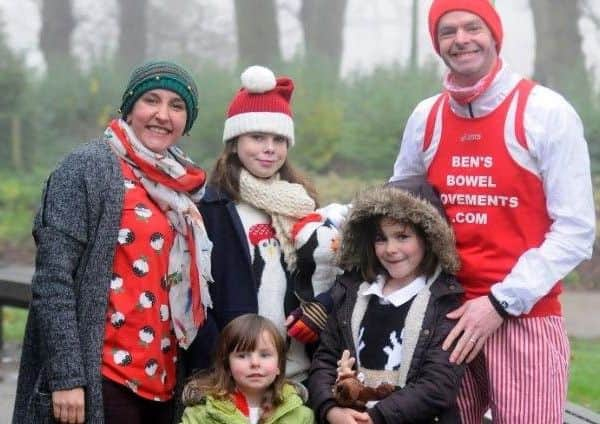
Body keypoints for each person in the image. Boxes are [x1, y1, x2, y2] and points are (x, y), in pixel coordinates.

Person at [390, 1, 596, 422]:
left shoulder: (546, 112)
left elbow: (576, 230)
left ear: (495, 35)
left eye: (473, 27)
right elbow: (397, 210)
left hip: (525, 317)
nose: (461, 39)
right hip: (442, 318)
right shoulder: (425, 117)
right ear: (437, 43)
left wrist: (500, 303)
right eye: (448, 31)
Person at [13, 61, 213, 424]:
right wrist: (68, 378)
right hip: (102, 377)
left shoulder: (183, 187)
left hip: (164, 379)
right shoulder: (87, 168)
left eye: (177, 106)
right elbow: (53, 280)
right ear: (130, 107)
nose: (163, 115)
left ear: (188, 121)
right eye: (151, 100)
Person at [184, 65, 345, 384]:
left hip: (296, 374)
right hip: (232, 373)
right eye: (257, 137)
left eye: (279, 139)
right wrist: (218, 366)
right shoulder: (212, 208)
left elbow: (338, 272)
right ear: (234, 142)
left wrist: (322, 307)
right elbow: (196, 296)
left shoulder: (302, 204)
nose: (270, 148)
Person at [308, 181, 465, 424]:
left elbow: (438, 384)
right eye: (381, 238)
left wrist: (377, 417)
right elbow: (325, 360)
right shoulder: (352, 293)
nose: (391, 249)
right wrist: (331, 410)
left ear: (428, 237)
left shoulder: (444, 302)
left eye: (402, 236)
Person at [180, 314, 314, 424]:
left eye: (265, 355)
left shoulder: (301, 416)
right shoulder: (200, 414)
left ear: (279, 365)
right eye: (242, 356)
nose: (255, 363)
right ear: (227, 365)